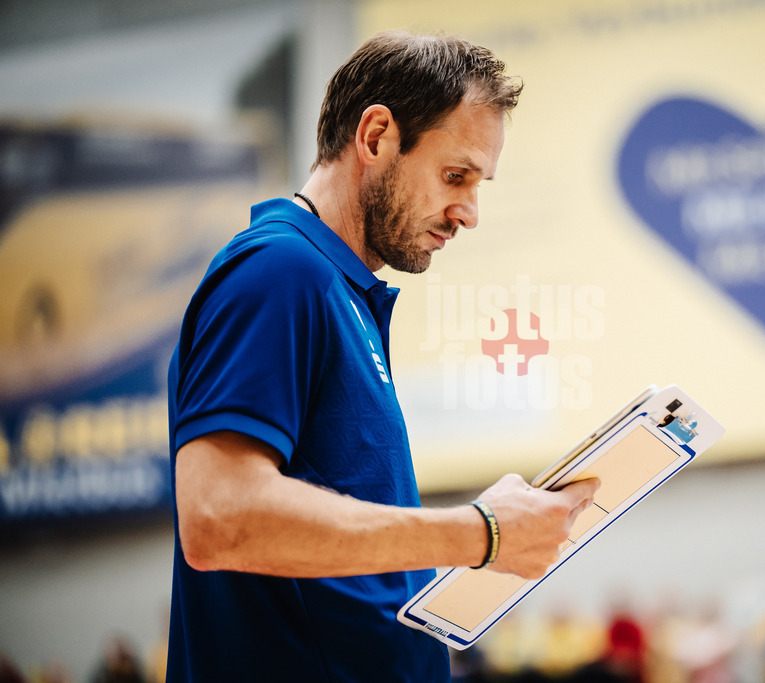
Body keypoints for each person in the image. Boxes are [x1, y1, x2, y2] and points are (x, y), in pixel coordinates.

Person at [166, 30, 600, 682]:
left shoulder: (337, 291)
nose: (470, 212)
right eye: (456, 175)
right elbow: (218, 516)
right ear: (374, 137)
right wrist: (480, 533)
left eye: (481, 184)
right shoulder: (279, 272)